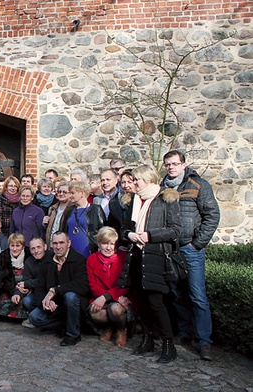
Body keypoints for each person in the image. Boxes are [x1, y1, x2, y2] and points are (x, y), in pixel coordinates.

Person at [162, 150, 220, 361]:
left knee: (197, 295)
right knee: (177, 294)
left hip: (190, 248)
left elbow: (212, 215)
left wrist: (198, 243)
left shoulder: (198, 185)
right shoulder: (162, 188)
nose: (171, 167)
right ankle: (186, 333)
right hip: (170, 249)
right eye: (168, 164)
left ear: (184, 165)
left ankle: (204, 341)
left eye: (175, 164)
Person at [119, 164, 181, 363]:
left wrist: (150, 235)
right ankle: (147, 340)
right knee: (142, 303)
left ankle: (168, 345)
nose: (133, 184)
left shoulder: (166, 199)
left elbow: (175, 230)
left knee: (156, 302)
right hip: (136, 257)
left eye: (136, 179)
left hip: (156, 257)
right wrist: (129, 234)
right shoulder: (133, 201)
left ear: (148, 179)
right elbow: (123, 229)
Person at [31, 232, 90, 347]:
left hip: (73, 304)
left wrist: (55, 290)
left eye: (61, 243)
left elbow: (83, 285)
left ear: (69, 243)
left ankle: (73, 334)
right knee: (34, 317)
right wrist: (46, 301)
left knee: (70, 296)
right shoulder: (47, 261)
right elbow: (39, 286)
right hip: (55, 306)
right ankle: (64, 324)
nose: (58, 247)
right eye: (55, 243)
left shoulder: (79, 260)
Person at [87, 227, 132, 347]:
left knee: (115, 310)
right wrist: (103, 298)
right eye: (105, 243)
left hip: (119, 297)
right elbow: (93, 284)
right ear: (99, 244)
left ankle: (121, 330)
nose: (108, 247)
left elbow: (125, 284)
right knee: (96, 312)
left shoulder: (122, 257)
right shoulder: (92, 259)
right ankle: (109, 327)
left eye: (111, 244)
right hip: (101, 296)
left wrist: (106, 297)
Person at [60, 181, 105, 257]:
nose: (70, 196)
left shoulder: (95, 209)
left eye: (73, 193)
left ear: (82, 193)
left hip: (89, 250)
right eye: (70, 193)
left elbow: (102, 232)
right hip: (70, 251)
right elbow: (63, 230)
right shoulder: (69, 210)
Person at [0, 233, 31, 319]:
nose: (15, 249)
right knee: (3, 302)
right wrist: (14, 292)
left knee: (25, 301)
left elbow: (33, 276)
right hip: (9, 287)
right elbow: (4, 279)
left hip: (26, 286)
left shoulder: (30, 256)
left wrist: (25, 287)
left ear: (23, 246)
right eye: (12, 246)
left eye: (18, 246)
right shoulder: (3, 258)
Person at [17, 237, 54, 327]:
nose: (36, 251)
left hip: (53, 293)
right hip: (39, 294)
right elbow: (24, 281)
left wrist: (27, 283)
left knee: (34, 317)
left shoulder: (52, 257)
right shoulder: (29, 262)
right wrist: (18, 293)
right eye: (33, 248)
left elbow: (45, 280)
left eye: (39, 247)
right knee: (27, 300)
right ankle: (42, 316)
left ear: (45, 247)